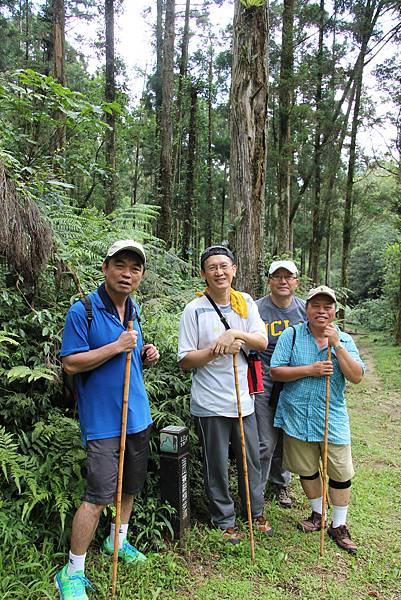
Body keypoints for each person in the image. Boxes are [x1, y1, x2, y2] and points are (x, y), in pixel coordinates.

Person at [57, 240, 159, 599]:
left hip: (137, 415)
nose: (127, 273)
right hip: (102, 421)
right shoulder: (82, 310)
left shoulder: (135, 310)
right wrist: (117, 346)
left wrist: (146, 353)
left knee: (129, 486)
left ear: (141, 275)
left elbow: (130, 356)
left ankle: (118, 542)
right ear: (105, 268)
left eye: (135, 268)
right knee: (98, 496)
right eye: (120, 265)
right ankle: (72, 570)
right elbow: (71, 363)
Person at [177, 245, 272, 545]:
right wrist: (216, 348)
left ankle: (254, 512)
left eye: (224, 266)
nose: (219, 272)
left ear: (234, 270)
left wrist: (237, 335)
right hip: (210, 403)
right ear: (204, 274)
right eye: (212, 267)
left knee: (251, 460)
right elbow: (184, 359)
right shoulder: (194, 309)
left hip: (244, 400)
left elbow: (261, 340)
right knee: (216, 464)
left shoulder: (245, 303)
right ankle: (224, 519)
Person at [270, 285, 365, 554]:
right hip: (296, 414)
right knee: (307, 468)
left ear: (335, 311)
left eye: (327, 307)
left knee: (340, 472)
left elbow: (356, 376)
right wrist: (309, 370)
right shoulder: (291, 335)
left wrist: (336, 346)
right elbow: (276, 371)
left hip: (331, 415)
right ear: (306, 308)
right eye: (316, 306)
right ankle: (317, 515)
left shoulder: (344, 340)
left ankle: (339, 524)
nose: (321, 311)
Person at [256, 260, 306, 508]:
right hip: (264, 377)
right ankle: (257, 489)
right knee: (265, 440)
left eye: (289, 277)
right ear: (269, 280)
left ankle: (281, 484)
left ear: (296, 281)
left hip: (295, 377)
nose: (283, 281)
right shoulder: (256, 309)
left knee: (287, 437)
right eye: (277, 276)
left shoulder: (304, 311)